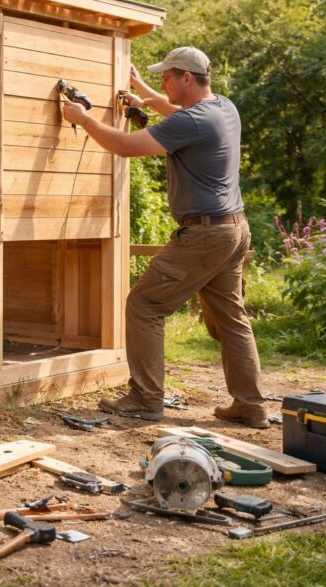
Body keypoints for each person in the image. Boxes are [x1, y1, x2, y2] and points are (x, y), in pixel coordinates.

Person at [60, 46, 267, 428]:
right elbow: (183, 116)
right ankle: (250, 405)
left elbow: (124, 147)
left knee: (144, 305)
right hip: (234, 230)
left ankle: (145, 398)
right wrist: (148, 98)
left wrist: (83, 119)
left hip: (205, 234)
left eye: (166, 77)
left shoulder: (191, 121)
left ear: (187, 78)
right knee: (232, 317)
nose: (162, 83)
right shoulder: (224, 107)